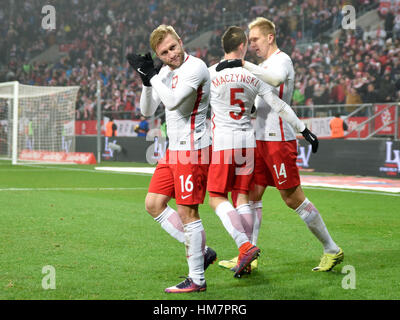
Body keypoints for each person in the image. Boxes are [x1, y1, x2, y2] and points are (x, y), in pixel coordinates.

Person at [217, 17, 343, 272]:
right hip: (260, 139)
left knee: (292, 198)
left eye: (255, 39)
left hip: (279, 141)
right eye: (249, 41)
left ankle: (332, 249)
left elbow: (275, 81)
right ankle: (247, 255)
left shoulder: (281, 60)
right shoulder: (262, 64)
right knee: (252, 195)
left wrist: (243, 64)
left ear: (269, 37)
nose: (251, 44)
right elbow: (261, 100)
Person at [208, 26, 314, 277]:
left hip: (223, 141)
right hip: (248, 142)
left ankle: (244, 246)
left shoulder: (211, 72)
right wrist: (303, 128)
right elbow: (278, 104)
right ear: (242, 45)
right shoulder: (254, 76)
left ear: (222, 45)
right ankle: (249, 250)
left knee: (216, 196)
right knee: (244, 196)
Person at [127, 24, 216, 293]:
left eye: (173, 47)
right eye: (164, 53)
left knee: (188, 212)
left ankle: (197, 279)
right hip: (173, 150)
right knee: (153, 203)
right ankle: (203, 251)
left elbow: (175, 101)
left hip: (193, 149)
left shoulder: (195, 68)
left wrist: (153, 76)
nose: (171, 55)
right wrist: (146, 81)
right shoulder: (165, 72)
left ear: (180, 40)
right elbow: (146, 110)